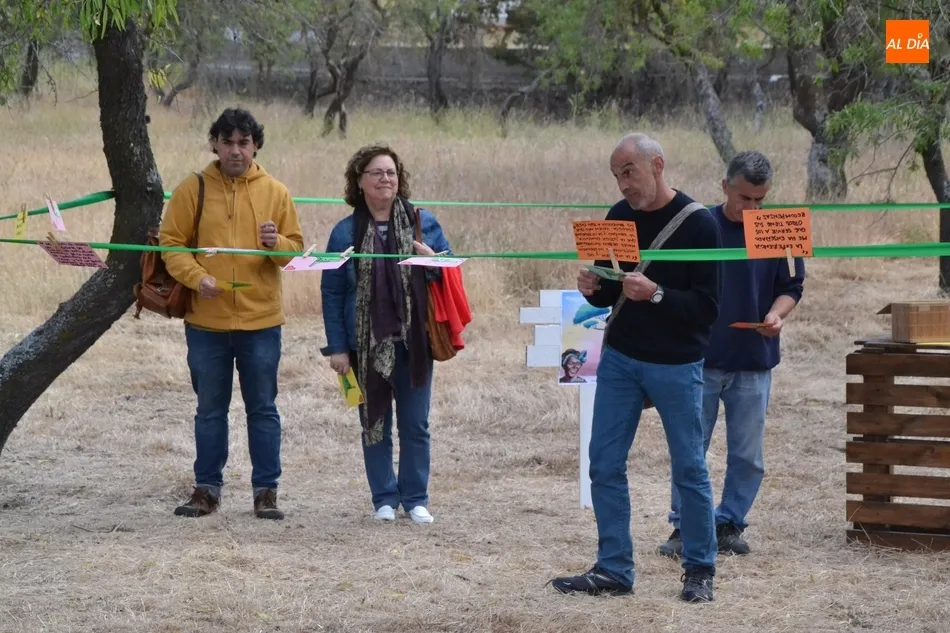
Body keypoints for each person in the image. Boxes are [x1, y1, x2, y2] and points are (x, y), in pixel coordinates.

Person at [549, 132, 723, 603]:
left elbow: (707, 309)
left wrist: (658, 293)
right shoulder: (618, 216)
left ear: (657, 165)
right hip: (621, 360)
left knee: (689, 468)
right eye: (616, 175)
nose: (623, 184)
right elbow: (612, 292)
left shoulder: (700, 224)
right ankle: (613, 569)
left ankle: (700, 569)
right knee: (604, 463)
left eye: (629, 172)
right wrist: (593, 288)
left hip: (677, 363)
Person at [658, 151, 805, 558]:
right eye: (745, 198)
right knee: (690, 449)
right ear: (725, 187)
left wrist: (776, 315)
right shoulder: (699, 225)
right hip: (699, 360)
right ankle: (685, 527)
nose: (753, 208)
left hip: (754, 361)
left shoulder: (777, 228)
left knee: (747, 454)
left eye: (761, 199)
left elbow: (792, 287)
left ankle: (729, 523)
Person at [159, 107, 304, 521]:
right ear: (215, 145)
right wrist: (197, 278)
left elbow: (295, 252)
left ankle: (266, 493)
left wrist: (276, 244)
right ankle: (206, 491)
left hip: (262, 324)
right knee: (209, 410)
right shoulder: (192, 188)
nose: (235, 150)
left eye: (244, 142)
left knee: (263, 410)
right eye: (227, 142)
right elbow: (170, 244)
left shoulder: (276, 191)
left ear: (256, 145)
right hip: (206, 324)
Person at [320, 144, 452, 524]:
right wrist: (337, 347)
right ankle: (383, 499)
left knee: (416, 425)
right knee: (373, 424)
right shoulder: (343, 232)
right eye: (376, 173)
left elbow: (449, 270)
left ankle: (415, 498)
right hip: (363, 346)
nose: (385, 179)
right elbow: (332, 293)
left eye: (391, 172)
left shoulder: (423, 223)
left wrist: (433, 263)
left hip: (413, 343)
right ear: (359, 181)